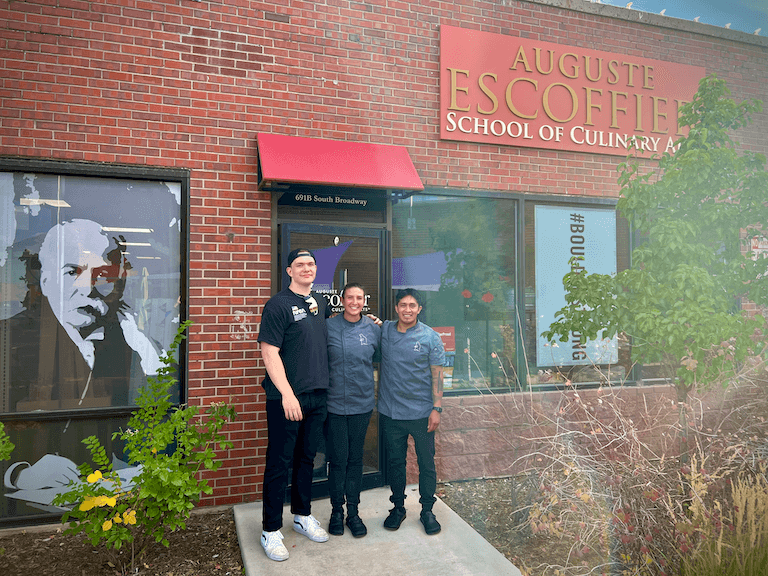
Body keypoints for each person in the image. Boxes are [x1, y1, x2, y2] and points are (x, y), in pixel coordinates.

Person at [7, 219, 163, 411]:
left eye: (103, 274)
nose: (87, 287)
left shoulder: (135, 344)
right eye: (73, 271)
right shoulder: (10, 339)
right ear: (46, 282)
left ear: (120, 286)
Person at [257, 248, 331, 562]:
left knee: (306, 459)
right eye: (299, 264)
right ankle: (270, 530)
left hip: (317, 395)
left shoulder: (320, 304)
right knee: (279, 463)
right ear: (289, 270)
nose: (306, 268)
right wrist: (287, 394)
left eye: (311, 264)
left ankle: (302, 515)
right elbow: (269, 352)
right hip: (286, 398)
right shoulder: (277, 305)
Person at [378, 288, 445, 535]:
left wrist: (436, 408)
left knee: (426, 464)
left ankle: (427, 510)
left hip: (422, 413)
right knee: (396, 463)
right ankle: (398, 507)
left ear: (419, 309)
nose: (407, 309)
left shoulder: (430, 337)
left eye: (412, 305)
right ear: (396, 308)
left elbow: (438, 375)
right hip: (391, 412)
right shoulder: (385, 330)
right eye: (403, 305)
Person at [325, 282, 381, 538]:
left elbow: (383, 359)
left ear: (364, 300)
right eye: (350, 297)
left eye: (359, 297)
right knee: (337, 460)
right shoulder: (328, 327)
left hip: (361, 404)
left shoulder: (373, 328)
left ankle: (354, 513)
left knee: (355, 459)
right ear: (341, 299)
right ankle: (336, 511)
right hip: (334, 404)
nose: (355, 302)